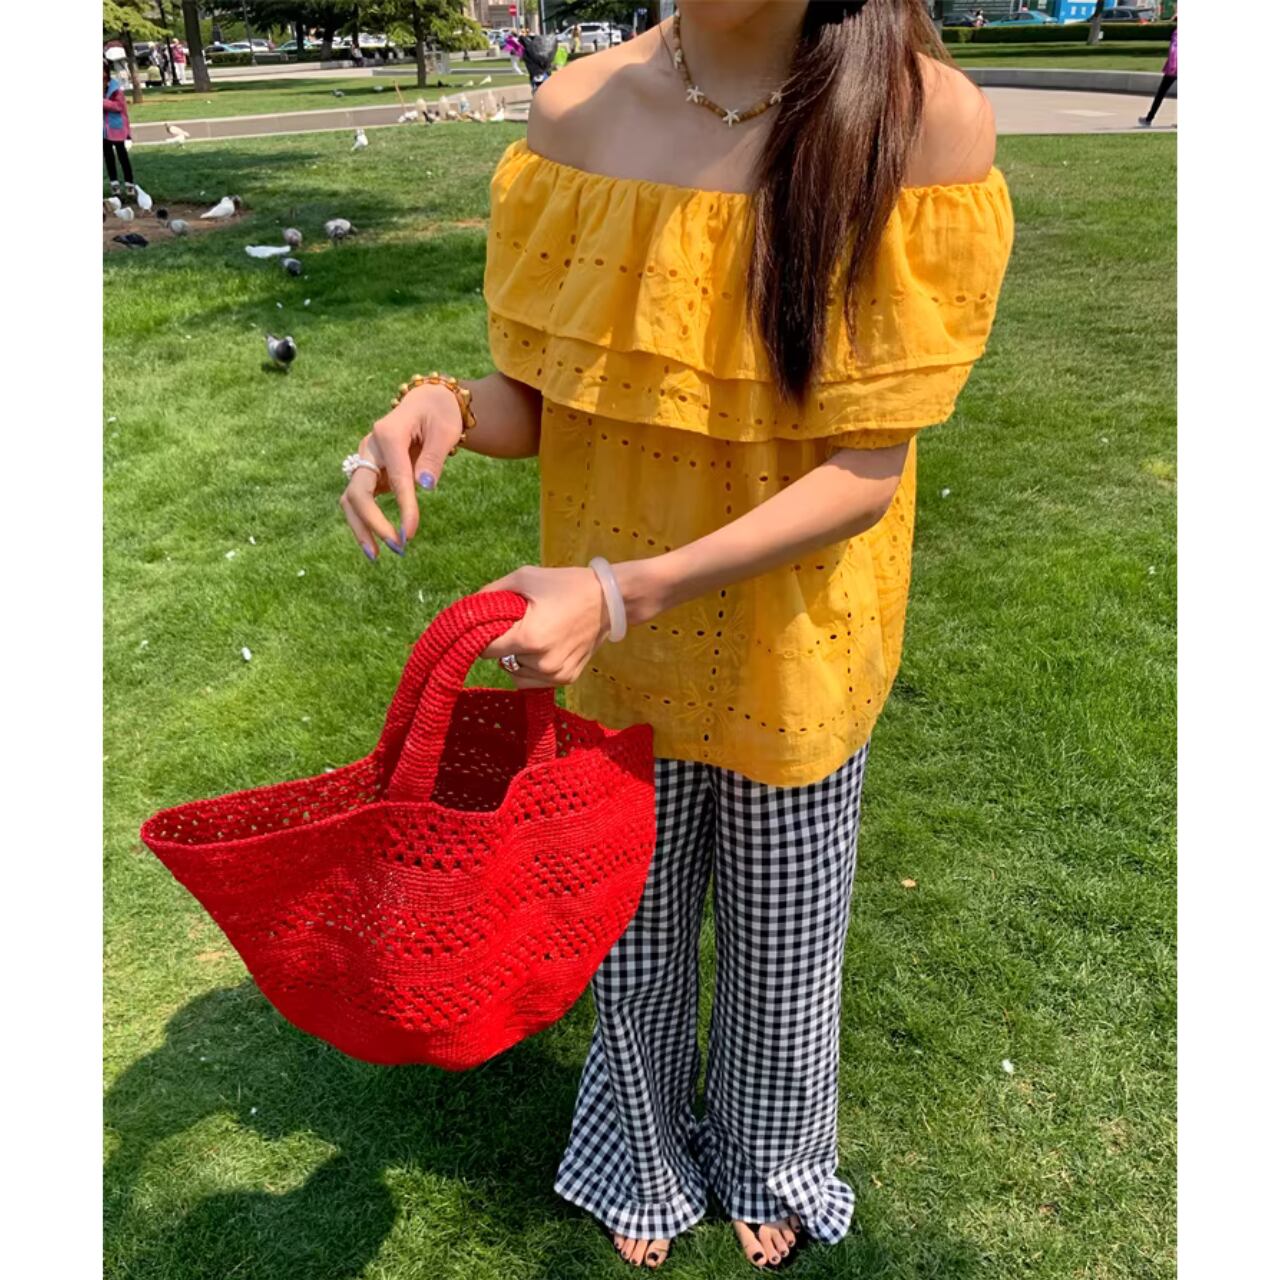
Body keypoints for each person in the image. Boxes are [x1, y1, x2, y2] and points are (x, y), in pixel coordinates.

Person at [336, 0, 1013, 1271]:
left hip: (791, 650)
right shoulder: (575, 109)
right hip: (611, 657)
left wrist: (620, 587)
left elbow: (864, 468)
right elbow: (550, 398)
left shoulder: (923, 121)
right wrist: (441, 409)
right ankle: (636, 1157)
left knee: (783, 951)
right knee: (628, 940)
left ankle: (770, 1155)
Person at [103, 59, 135, 199]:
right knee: (108, 157)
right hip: (103, 130)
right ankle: (114, 186)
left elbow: (119, 107)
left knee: (122, 156)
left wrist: (103, 102)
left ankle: (129, 185)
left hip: (116, 128)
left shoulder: (115, 89)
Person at [1138, 12, 1176, 127]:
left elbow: (1174, 51)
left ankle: (1149, 118)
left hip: (1174, 68)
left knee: (1161, 93)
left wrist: (1172, 66)